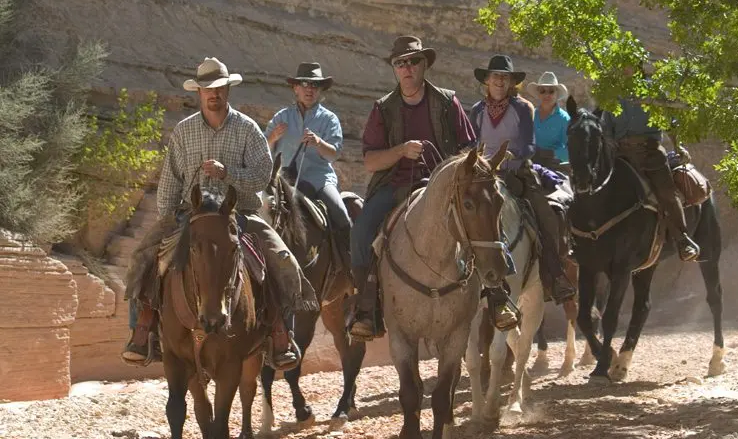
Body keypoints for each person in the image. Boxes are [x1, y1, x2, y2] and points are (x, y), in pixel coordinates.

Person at [121, 57, 317, 369]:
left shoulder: (247, 129)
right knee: (142, 256)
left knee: (283, 259)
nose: (214, 93)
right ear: (198, 92)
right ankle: (142, 331)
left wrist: (229, 175)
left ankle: (281, 334)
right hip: (191, 214)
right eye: (207, 89)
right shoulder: (183, 132)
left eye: (219, 88)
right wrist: (168, 218)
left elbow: (264, 175)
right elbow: (171, 179)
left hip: (239, 213)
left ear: (227, 89)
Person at [349, 36, 518, 340]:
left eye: (413, 61)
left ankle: (498, 296)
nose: (407, 68)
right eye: (401, 63)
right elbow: (371, 161)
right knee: (361, 232)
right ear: (395, 69)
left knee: (486, 218)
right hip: (395, 185)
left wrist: (459, 172)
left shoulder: (446, 101)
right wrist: (401, 150)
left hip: (448, 185)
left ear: (424, 64)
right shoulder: (383, 108)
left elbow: (470, 148)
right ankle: (366, 307)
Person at [469, 55, 574, 306]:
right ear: (487, 80)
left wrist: (510, 157)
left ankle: (555, 275)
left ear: (511, 82)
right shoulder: (476, 111)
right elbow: (471, 145)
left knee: (546, 214)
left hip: (517, 174)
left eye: (504, 77)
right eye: (495, 76)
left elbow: (529, 145)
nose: (499, 81)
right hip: (484, 176)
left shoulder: (523, 108)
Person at [266, 62, 351, 267]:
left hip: (319, 180)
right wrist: (272, 137)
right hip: (283, 181)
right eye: (304, 84)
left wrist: (318, 143)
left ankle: (349, 266)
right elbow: (263, 147)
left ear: (320, 90)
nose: (309, 89)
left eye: (314, 85)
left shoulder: (329, 119)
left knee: (341, 215)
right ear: (295, 88)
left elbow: (335, 153)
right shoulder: (282, 116)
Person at [602, 96, 700, 261]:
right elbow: (606, 129)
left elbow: (670, 122)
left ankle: (682, 239)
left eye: (629, 67)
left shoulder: (652, 91)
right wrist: (609, 142)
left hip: (650, 152)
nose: (625, 69)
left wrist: (677, 146)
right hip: (621, 155)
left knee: (666, 192)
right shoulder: (612, 93)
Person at [527, 71, 570, 167]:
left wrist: (550, 153)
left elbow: (571, 149)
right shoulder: (530, 115)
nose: (547, 95)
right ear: (538, 94)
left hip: (554, 167)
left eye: (551, 91)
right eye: (542, 91)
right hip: (530, 164)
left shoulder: (565, 119)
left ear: (557, 94)